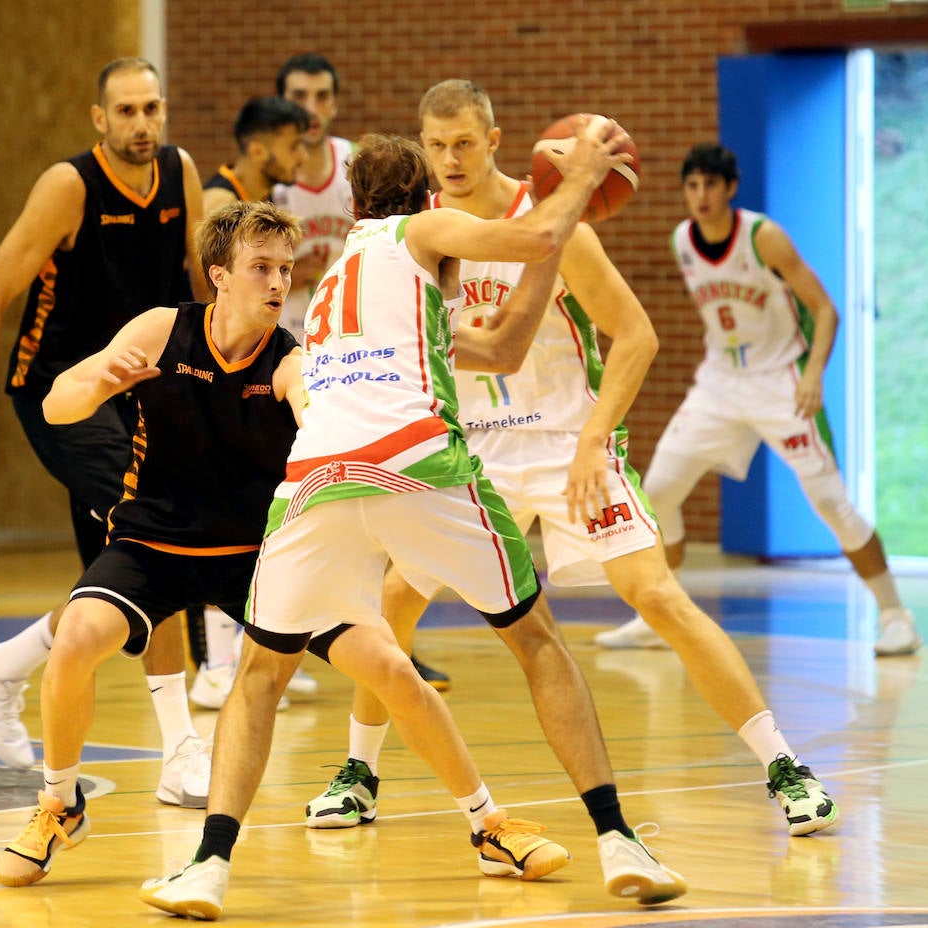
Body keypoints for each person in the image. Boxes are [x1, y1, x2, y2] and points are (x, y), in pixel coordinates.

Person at [139, 126, 687, 922]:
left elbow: (498, 350)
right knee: (536, 640)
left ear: (353, 201)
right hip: (416, 462)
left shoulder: (326, 289)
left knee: (259, 676)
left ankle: (207, 866)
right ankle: (617, 838)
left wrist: (552, 236)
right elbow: (531, 236)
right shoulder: (419, 231)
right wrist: (579, 188)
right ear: (427, 199)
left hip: (317, 479)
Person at [304, 82, 839, 842]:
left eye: (464, 142)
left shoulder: (553, 223)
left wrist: (594, 438)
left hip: (565, 445)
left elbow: (638, 336)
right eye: (436, 145)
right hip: (472, 450)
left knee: (656, 595)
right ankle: (359, 771)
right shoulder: (419, 235)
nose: (449, 159)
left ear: (495, 140)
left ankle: (783, 765)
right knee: (392, 600)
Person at [0, 200, 310, 887]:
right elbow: (56, 405)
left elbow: (311, 413)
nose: (279, 282)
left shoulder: (291, 358)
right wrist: (98, 382)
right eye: (263, 268)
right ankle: (57, 805)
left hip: (253, 555)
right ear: (219, 275)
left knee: (378, 655)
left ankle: (479, 817)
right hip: (154, 541)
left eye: (286, 268)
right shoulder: (164, 330)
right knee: (75, 638)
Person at [0, 57, 214, 808]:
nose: (141, 124)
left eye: (151, 108)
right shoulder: (68, 188)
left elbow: (198, 281)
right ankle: (182, 749)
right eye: (125, 111)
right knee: (162, 530)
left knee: (118, 584)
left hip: (141, 388)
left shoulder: (180, 172)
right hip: (62, 391)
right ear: (99, 119)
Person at [596, 142, 921, 658]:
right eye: (692, 185)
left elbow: (824, 309)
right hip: (720, 384)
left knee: (831, 503)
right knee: (656, 495)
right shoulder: (682, 240)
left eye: (709, 185)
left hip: (780, 382)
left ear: (730, 188)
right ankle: (657, 612)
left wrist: (813, 373)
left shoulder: (763, 237)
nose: (700, 196)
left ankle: (896, 616)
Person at [272, 50, 452, 693]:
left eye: (321, 96)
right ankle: (280, 639)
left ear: (335, 104)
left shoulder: (363, 166)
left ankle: (388, 642)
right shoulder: (278, 185)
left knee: (385, 506)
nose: (310, 109)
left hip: (368, 357)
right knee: (306, 509)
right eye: (298, 96)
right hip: (296, 352)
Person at [187, 95, 317, 710]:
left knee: (258, 505)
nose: (302, 154)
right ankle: (217, 662)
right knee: (220, 506)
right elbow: (212, 297)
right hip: (211, 368)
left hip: (254, 362)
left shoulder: (264, 206)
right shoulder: (221, 202)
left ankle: (257, 646)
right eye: (293, 143)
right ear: (261, 146)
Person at [201, 96, 310, 215]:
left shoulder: (268, 196)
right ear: (257, 152)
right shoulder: (220, 206)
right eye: (293, 147)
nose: (304, 156)